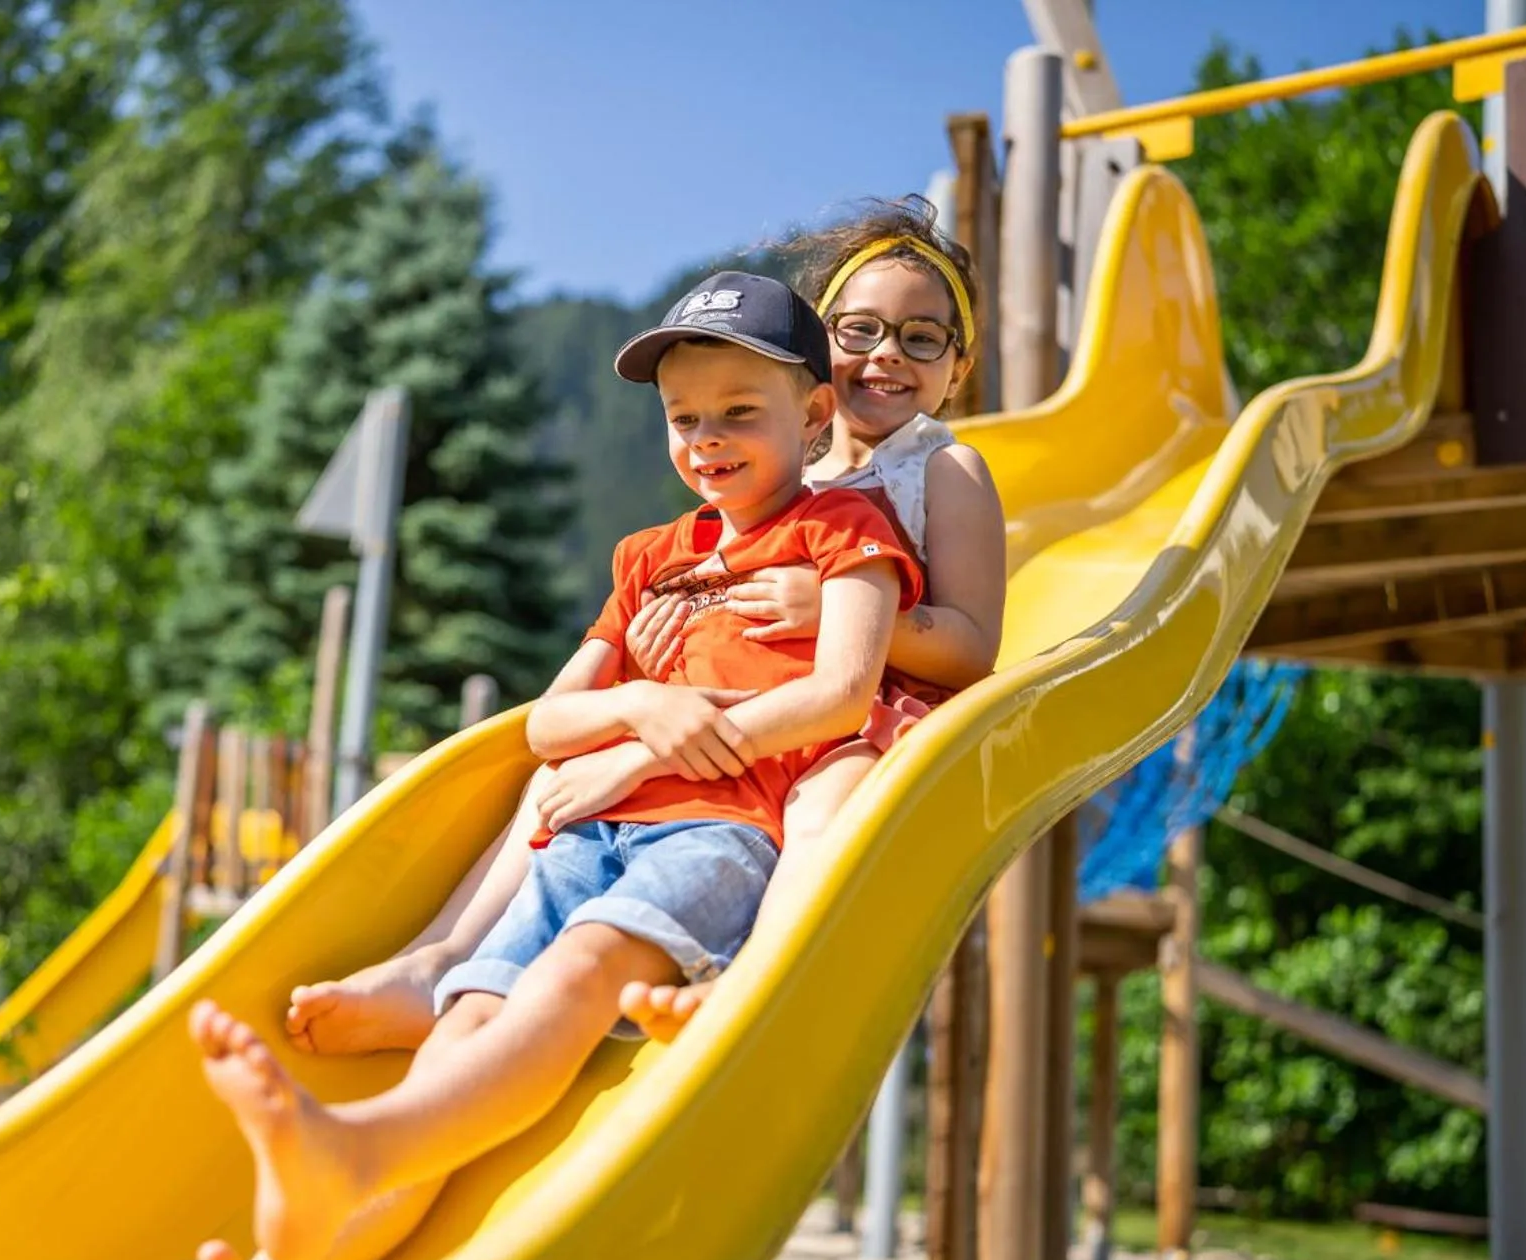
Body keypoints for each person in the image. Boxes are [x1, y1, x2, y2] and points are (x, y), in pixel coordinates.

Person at [121, 272, 921, 1260]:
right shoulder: (649, 559)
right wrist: (637, 698)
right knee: (459, 1039)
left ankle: (350, 1155)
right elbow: (547, 726)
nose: (708, 439)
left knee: (574, 973)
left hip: (717, 833)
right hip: (586, 833)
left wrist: (653, 737)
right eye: (685, 418)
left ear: (814, 415)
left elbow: (839, 692)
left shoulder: (843, 529)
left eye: (741, 412)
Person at [285, 196, 1004, 1054]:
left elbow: (971, 647)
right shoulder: (786, 465)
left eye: (922, 338)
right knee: (552, 782)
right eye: (860, 330)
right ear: (822, 354)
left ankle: (755, 976)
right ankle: (447, 951)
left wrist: (840, 614)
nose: (887, 354)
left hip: (853, 718)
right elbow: (711, 567)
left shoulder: (944, 468)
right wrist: (661, 631)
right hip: (742, 705)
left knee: (820, 808)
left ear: (957, 367)